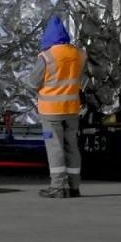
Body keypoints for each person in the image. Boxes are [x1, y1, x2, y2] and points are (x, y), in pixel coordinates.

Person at [28, 16, 87, 198]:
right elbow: (81, 79)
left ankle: (58, 187)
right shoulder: (79, 54)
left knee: (55, 147)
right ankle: (74, 186)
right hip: (72, 108)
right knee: (72, 146)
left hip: (51, 111)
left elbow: (32, 82)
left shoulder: (46, 57)